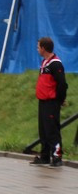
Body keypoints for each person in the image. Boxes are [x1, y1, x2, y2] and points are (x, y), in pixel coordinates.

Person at [31, 36, 67, 168]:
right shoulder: (44, 63)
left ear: (43, 48)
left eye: (38, 46)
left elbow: (62, 84)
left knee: (52, 130)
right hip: (43, 101)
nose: (37, 49)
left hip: (51, 102)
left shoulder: (56, 64)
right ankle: (45, 156)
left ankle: (57, 157)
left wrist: (60, 99)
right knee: (44, 131)